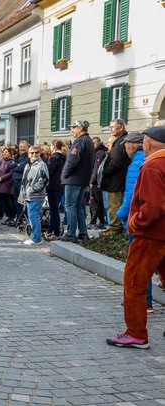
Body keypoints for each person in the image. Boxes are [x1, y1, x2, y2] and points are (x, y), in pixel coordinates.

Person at [106, 126, 165, 349]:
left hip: (149, 235)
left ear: (149, 142)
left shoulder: (152, 166)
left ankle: (136, 333)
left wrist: (134, 223)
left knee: (134, 284)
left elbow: (152, 207)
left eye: (145, 141)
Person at [115, 133, 151, 312]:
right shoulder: (147, 161)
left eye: (126, 144)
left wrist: (121, 214)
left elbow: (131, 196)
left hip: (137, 218)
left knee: (138, 264)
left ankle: (144, 301)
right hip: (147, 219)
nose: (124, 148)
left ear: (133, 145)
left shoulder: (136, 164)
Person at [60, 120, 94, 243]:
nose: (72, 130)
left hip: (74, 179)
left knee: (70, 206)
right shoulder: (89, 141)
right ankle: (83, 233)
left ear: (80, 128)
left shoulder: (80, 141)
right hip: (82, 179)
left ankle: (70, 234)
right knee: (78, 206)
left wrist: (64, 174)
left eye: (74, 127)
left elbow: (73, 161)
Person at [101, 119, 131, 236]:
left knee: (114, 205)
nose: (110, 129)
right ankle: (119, 228)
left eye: (112, 127)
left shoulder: (120, 142)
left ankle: (115, 229)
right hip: (120, 179)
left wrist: (105, 171)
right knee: (118, 203)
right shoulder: (122, 140)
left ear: (121, 127)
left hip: (116, 180)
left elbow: (115, 163)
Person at [21, 146, 49, 246]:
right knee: (31, 217)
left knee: (34, 216)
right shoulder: (28, 165)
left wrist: (32, 189)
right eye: (32, 153)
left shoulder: (42, 165)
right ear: (28, 154)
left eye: (36, 152)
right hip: (28, 196)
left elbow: (44, 180)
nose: (34, 154)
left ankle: (37, 239)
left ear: (40, 153)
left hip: (36, 195)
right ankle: (34, 237)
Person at [44, 140, 67, 240]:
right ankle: (50, 230)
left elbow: (49, 171)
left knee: (54, 211)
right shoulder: (63, 157)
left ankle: (55, 233)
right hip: (60, 186)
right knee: (54, 210)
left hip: (53, 186)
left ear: (53, 146)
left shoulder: (54, 157)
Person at [89, 137, 108, 230]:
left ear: (99, 143)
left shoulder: (99, 153)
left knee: (96, 203)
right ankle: (98, 221)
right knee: (96, 202)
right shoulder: (98, 152)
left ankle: (98, 222)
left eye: (95, 143)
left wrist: (92, 181)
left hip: (96, 182)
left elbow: (96, 169)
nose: (93, 145)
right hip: (97, 182)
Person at [0, 148, 16, 226]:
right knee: (3, 202)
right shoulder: (2, 161)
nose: (4, 153)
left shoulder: (11, 162)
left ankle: (10, 217)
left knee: (8, 202)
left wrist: (2, 178)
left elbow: (11, 173)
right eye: (3, 152)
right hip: (0, 184)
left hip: (7, 184)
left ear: (10, 154)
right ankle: (7, 216)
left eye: (6, 152)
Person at [12, 141, 30, 220]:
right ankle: (19, 218)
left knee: (22, 202)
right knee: (16, 202)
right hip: (15, 181)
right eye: (21, 146)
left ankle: (24, 219)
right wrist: (16, 165)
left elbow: (21, 168)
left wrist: (15, 166)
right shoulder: (17, 155)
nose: (22, 148)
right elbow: (10, 165)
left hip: (22, 182)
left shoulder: (28, 156)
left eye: (24, 147)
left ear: (27, 147)